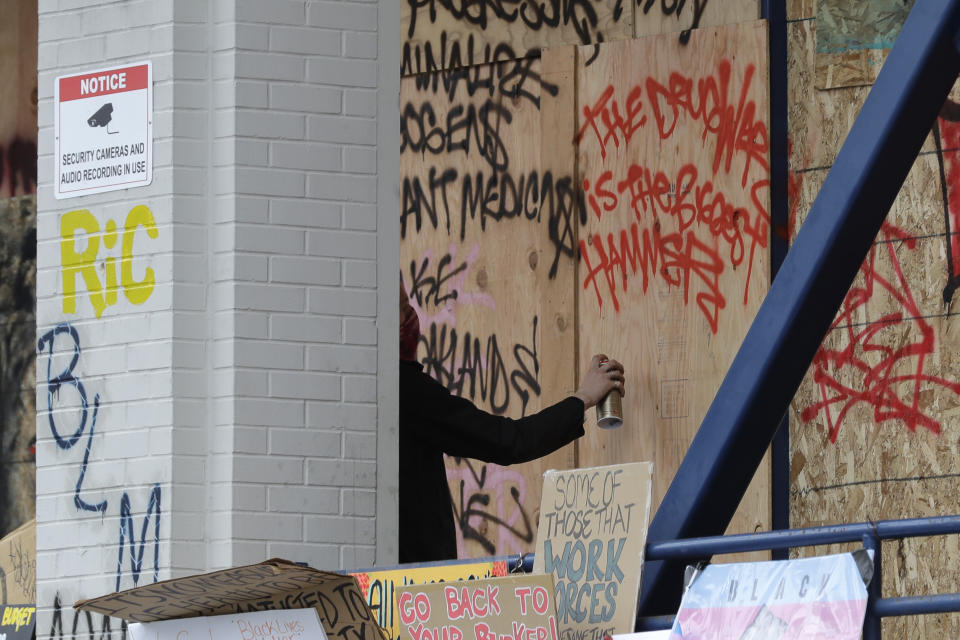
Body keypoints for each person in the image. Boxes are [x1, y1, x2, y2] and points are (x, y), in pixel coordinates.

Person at [399, 281, 625, 563]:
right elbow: (509, 441)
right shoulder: (406, 392)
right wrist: (583, 399)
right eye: (405, 309)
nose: (412, 317)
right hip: (411, 589)